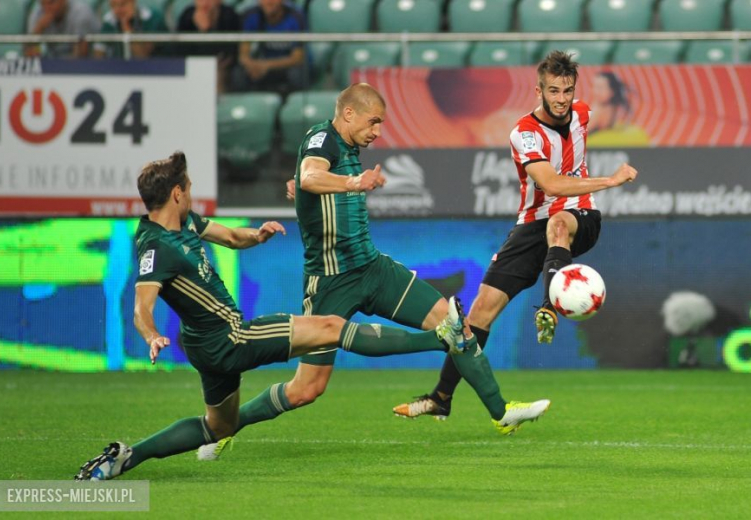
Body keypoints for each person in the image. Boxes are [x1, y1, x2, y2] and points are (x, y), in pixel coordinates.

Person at [194, 84, 550, 463]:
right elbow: (311, 175)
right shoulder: (322, 138)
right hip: (331, 282)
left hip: (373, 269)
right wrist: (352, 182)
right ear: (348, 114)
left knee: (454, 324)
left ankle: (501, 412)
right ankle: (225, 427)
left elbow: (306, 183)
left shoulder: (346, 148)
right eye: (373, 121)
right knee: (306, 390)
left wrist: (311, 187)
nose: (378, 131)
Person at [75, 150, 474, 481]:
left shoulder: (184, 223)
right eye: (190, 187)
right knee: (332, 328)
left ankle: (127, 456)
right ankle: (441, 336)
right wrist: (150, 335)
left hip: (206, 346)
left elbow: (231, 237)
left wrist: (258, 235)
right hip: (230, 336)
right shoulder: (156, 247)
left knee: (218, 427)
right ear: (177, 192)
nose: (193, 192)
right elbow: (141, 307)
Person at [393, 51, 638, 419]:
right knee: (478, 315)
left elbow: (608, 117)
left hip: (578, 215)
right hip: (531, 223)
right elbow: (551, 185)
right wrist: (611, 180)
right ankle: (440, 397)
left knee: (558, 225)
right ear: (537, 90)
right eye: (553, 90)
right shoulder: (524, 133)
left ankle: (551, 303)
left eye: (567, 90)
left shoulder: (583, 113)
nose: (561, 98)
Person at [234, 0, 310, 94]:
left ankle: (294, 104)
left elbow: (298, 58)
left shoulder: (296, 16)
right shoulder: (250, 15)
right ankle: (244, 105)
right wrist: (252, 65)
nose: (268, 2)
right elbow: (243, 54)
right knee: (238, 73)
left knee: (297, 74)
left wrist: (266, 65)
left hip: (285, 67)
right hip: (260, 66)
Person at [176, 0, 241, 94]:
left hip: (223, 66)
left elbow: (231, 52)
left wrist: (208, 31)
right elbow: (179, 50)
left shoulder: (230, 15)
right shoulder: (187, 16)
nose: (205, 3)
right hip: (193, 65)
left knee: (222, 73)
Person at [588, 71, 650, 147]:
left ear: (612, 91)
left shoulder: (602, 111)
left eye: (600, 87)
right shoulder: (596, 109)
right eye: (594, 87)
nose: (595, 91)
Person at [93, 0, 168, 60]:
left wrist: (127, 29)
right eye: (113, 5)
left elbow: (141, 57)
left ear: (133, 2)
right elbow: (98, 55)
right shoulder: (110, 20)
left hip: (158, 71)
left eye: (122, 4)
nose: (118, 9)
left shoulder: (152, 18)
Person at [25, 0, 100, 58]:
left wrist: (56, 66)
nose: (47, 8)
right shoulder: (38, 13)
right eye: (43, 4)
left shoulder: (81, 13)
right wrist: (39, 29)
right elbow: (29, 54)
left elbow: (81, 56)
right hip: (53, 64)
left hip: (85, 69)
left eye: (51, 2)